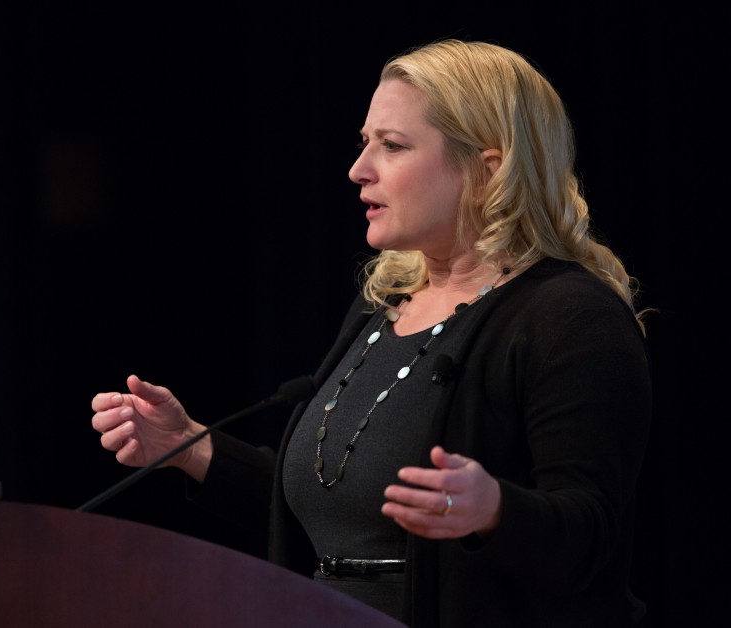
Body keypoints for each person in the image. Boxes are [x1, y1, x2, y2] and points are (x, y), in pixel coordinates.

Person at [90, 38, 652, 628]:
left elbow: (592, 538)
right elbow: (337, 512)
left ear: (488, 171)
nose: (359, 170)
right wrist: (193, 445)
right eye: (365, 144)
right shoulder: (381, 305)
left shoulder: (570, 317)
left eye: (392, 146)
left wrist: (495, 511)